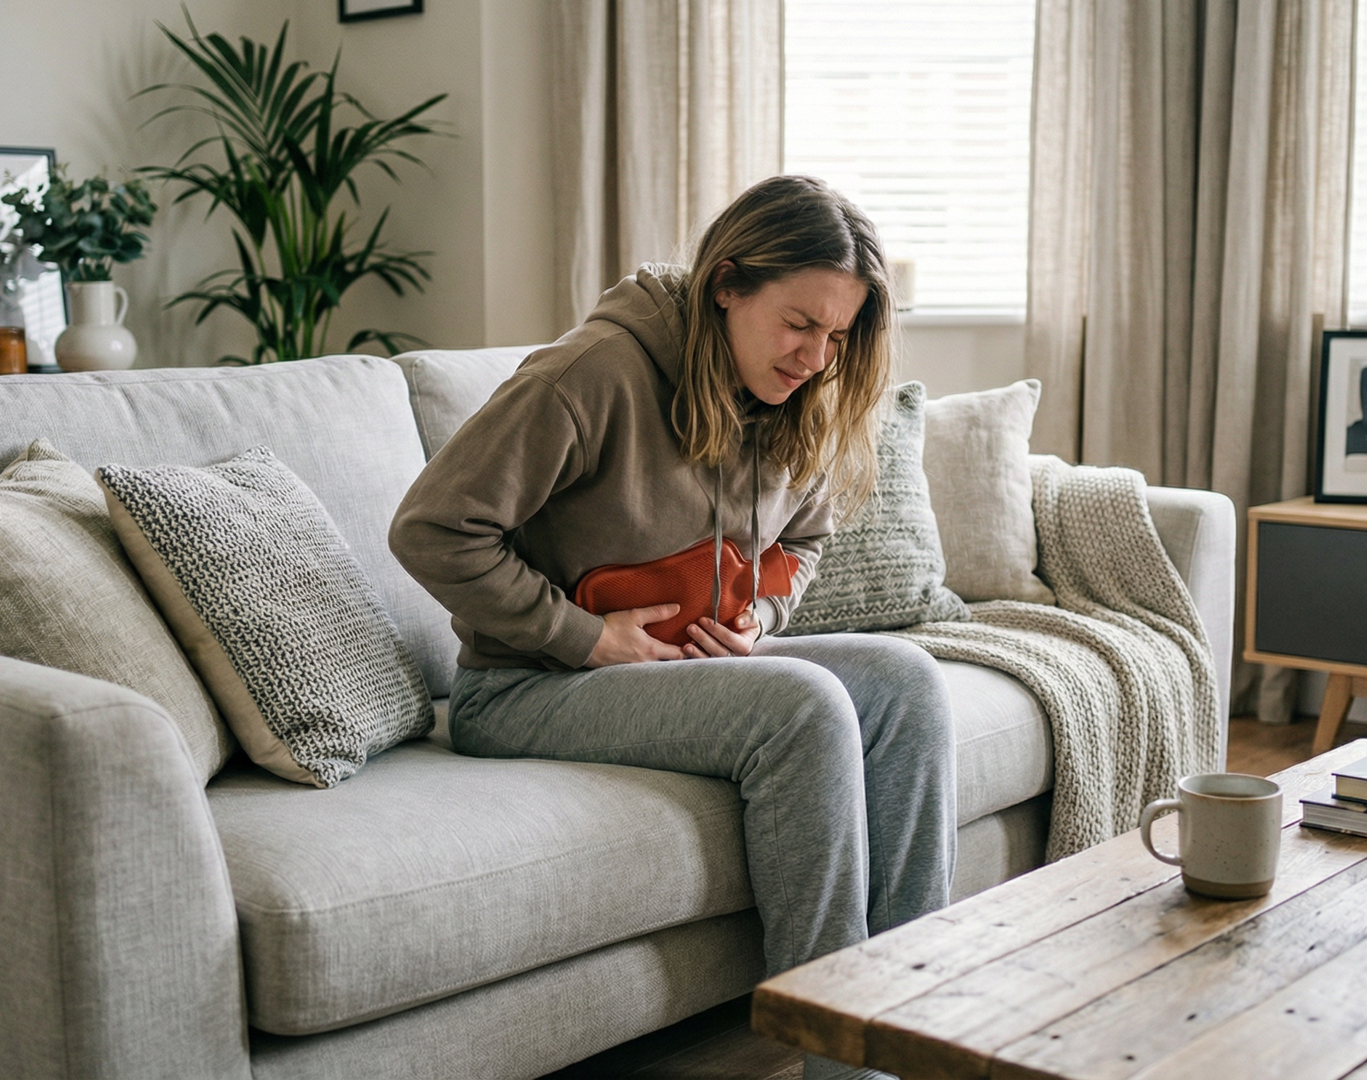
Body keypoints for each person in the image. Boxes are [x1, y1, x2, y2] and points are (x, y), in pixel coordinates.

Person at [388, 175, 955, 1079]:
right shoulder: (592, 374)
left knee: (908, 683)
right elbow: (432, 528)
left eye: (839, 336)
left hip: (678, 671)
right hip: (528, 688)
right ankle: (838, 1068)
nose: (816, 356)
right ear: (727, 283)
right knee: (803, 708)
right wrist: (583, 637)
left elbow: (803, 539)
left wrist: (758, 621)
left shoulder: (794, 396)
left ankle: (916, 1039)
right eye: (800, 323)